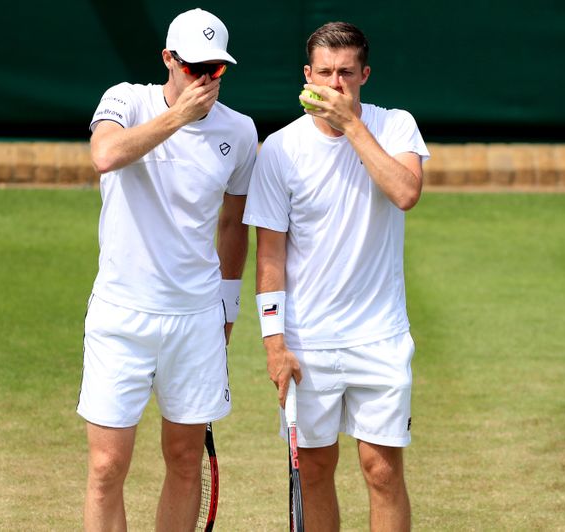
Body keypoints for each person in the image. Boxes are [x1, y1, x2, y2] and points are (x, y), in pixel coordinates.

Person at [243, 21, 429, 531]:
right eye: (325, 72)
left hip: (380, 337)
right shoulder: (278, 150)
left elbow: (406, 192)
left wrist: (352, 127)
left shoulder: (395, 127)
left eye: (347, 73)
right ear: (307, 75)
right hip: (308, 342)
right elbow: (270, 258)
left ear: (364, 75)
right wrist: (273, 343)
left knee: (382, 470)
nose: (336, 84)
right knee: (316, 470)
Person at [76, 8, 256, 531]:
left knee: (183, 461)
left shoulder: (240, 132)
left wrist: (227, 305)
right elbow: (104, 155)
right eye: (193, 67)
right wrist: (178, 117)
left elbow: (234, 223)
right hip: (119, 315)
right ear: (168, 61)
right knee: (107, 466)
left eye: (215, 70)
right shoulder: (125, 100)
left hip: (196, 320)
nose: (203, 80)